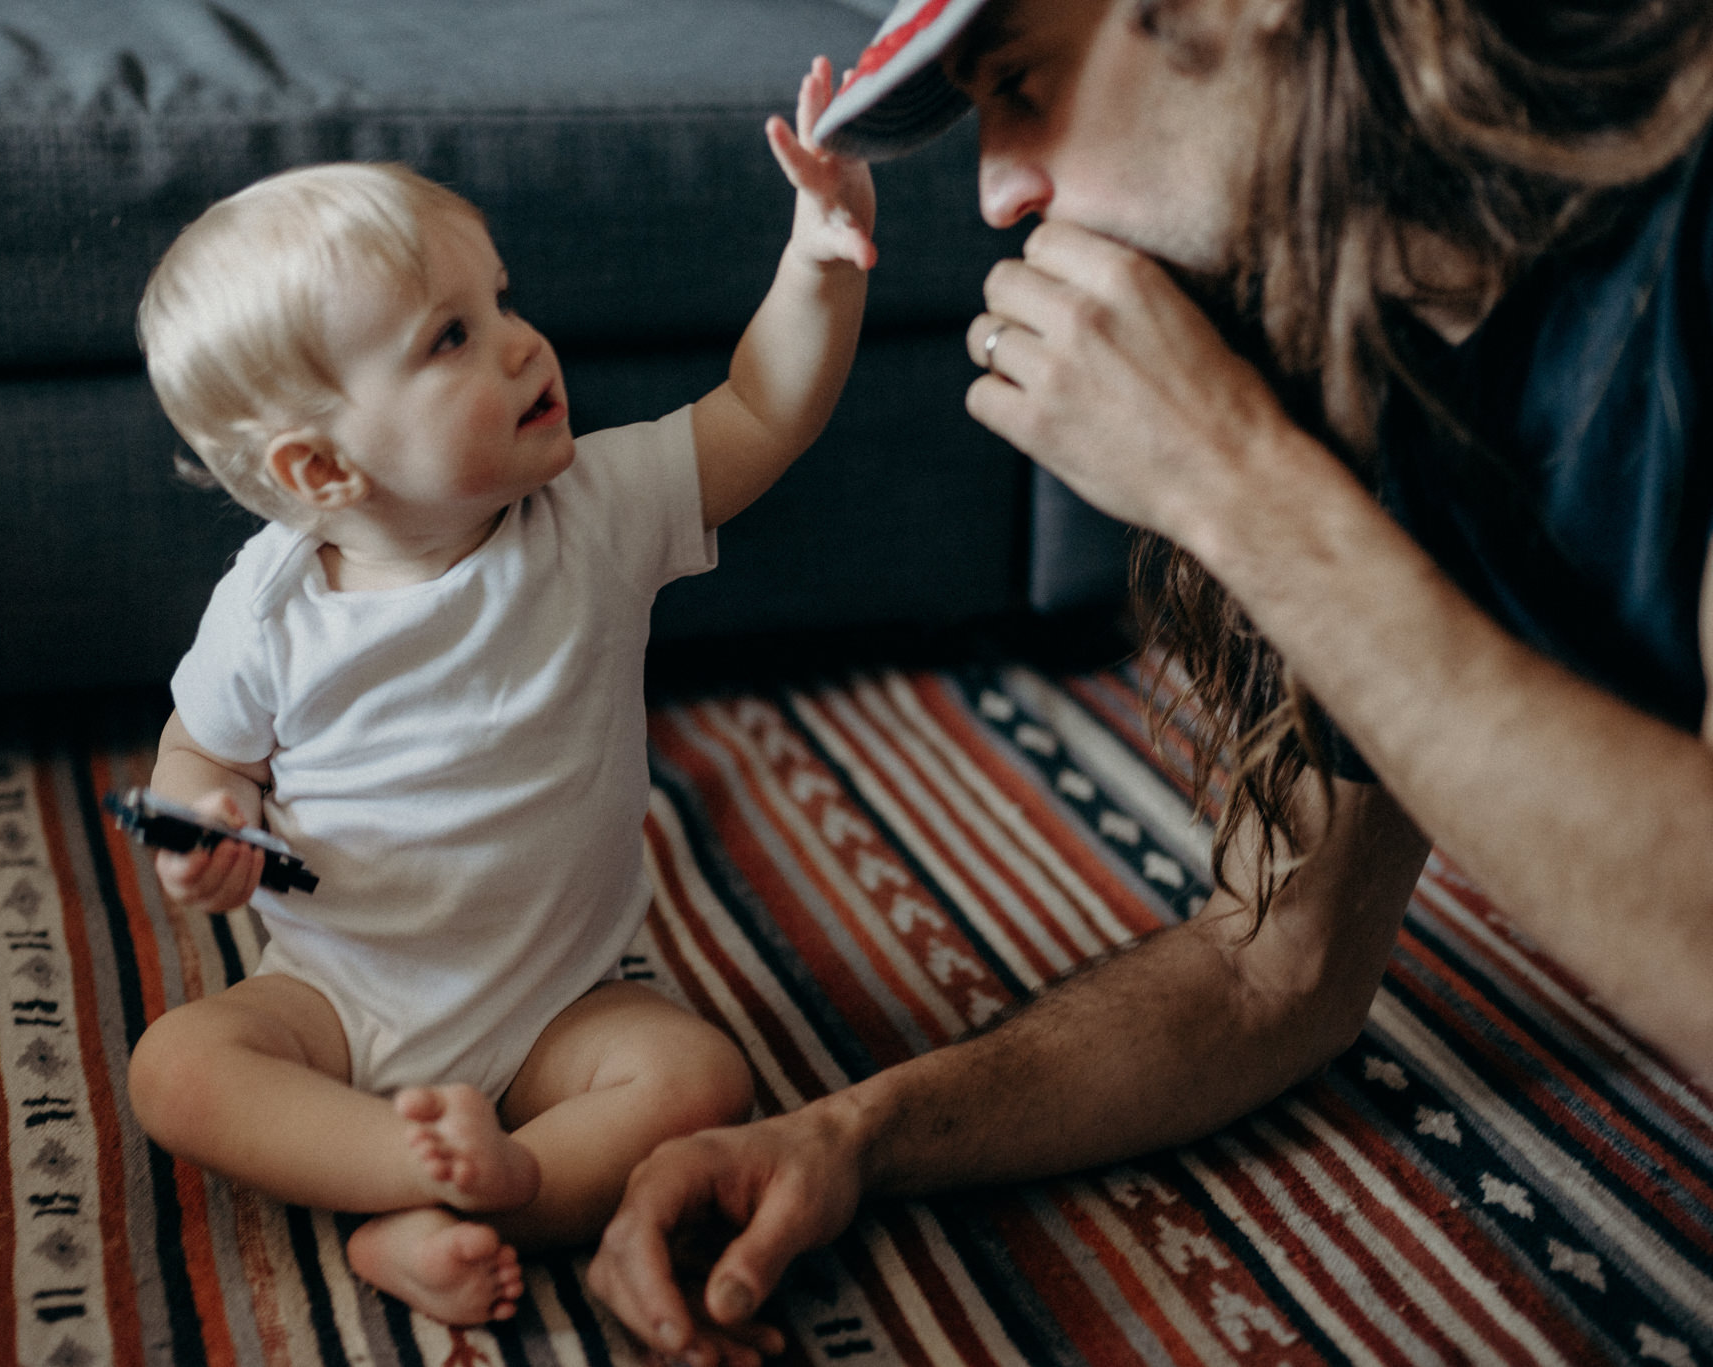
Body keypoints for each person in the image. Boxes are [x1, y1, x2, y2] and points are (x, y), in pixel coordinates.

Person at [585, 0, 1713, 1362]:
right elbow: (1272, 967)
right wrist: (848, 1134)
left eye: (1023, 84)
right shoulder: (1377, 353)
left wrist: (1230, 483)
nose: (999, 193)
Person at [123, 59, 875, 1327]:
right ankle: (403, 1180)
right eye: (451, 337)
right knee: (178, 1068)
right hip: (341, 994)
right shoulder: (273, 607)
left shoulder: (597, 509)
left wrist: (820, 254)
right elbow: (201, 752)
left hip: (560, 999)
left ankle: (452, 1202)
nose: (525, 340)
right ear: (324, 465)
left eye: (499, 300)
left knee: (699, 1074)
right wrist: (200, 826)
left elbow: (765, 405)